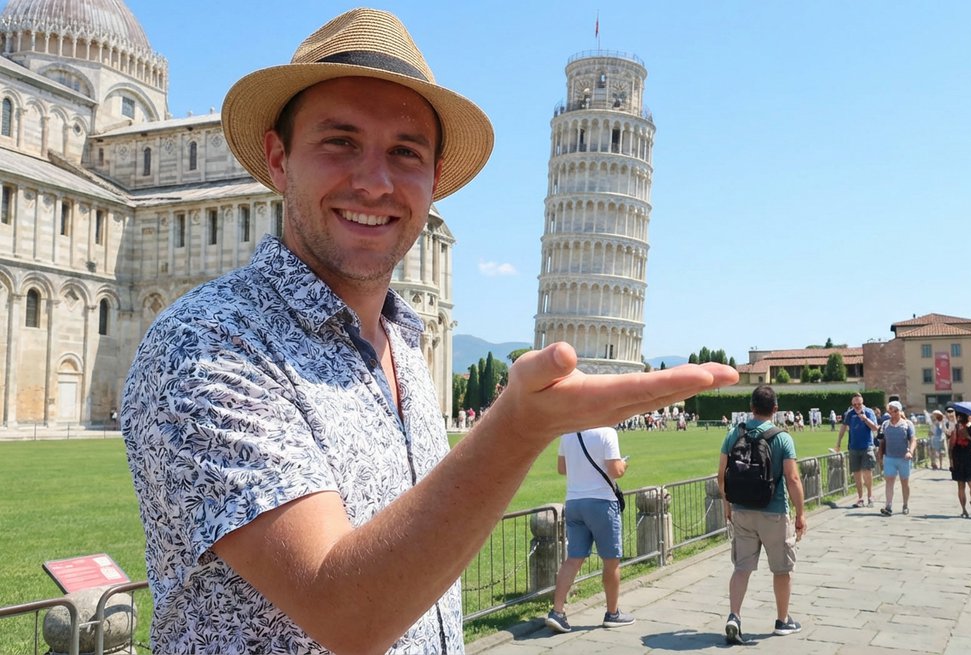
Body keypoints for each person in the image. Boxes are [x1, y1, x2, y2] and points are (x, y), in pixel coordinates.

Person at [119, 9, 738, 654]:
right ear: (278, 157)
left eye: (405, 152)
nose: (375, 181)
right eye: (340, 141)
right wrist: (517, 427)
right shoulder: (205, 345)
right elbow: (347, 615)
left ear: (434, 180)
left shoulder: (405, 347)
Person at [718, 385, 805, 644]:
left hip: (742, 509)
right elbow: (792, 478)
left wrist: (727, 504)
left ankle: (734, 615)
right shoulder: (782, 438)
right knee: (781, 569)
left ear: (750, 406)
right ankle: (782, 620)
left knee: (742, 567)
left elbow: (721, 474)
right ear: (775, 409)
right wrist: (801, 513)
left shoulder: (734, 433)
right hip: (774, 511)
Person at [545, 427, 633, 633]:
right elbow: (615, 470)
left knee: (573, 558)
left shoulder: (568, 433)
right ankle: (613, 613)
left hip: (574, 502)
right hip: (602, 502)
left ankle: (557, 611)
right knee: (611, 560)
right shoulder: (607, 432)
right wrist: (624, 464)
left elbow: (561, 468)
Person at [836, 393, 879, 507]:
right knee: (856, 473)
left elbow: (875, 427)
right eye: (854, 405)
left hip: (867, 446)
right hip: (853, 447)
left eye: (859, 404)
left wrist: (865, 419)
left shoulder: (869, 412)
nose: (857, 407)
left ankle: (870, 495)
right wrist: (838, 443)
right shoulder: (850, 414)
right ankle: (860, 497)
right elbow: (843, 428)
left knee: (867, 471)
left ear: (862, 402)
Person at [877, 401, 916, 516]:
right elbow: (882, 441)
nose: (893, 413)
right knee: (889, 481)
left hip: (903, 458)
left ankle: (905, 504)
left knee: (905, 482)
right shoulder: (885, 424)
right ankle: (888, 506)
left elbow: (913, 440)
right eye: (891, 410)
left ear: (899, 411)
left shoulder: (907, 424)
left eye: (895, 410)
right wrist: (880, 453)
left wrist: (910, 452)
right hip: (889, 457)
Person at [949, 411, 971, 517]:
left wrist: (968, 437)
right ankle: (963, 509)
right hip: (959, 458)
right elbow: (951, 447)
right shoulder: (955, 429)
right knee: (961, 485)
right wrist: (951, 462)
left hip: (969, 457)